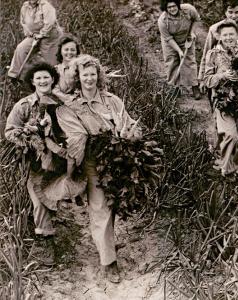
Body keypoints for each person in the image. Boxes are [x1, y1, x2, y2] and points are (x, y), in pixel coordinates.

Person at [56, 54, 142, 283]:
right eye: (85, 75)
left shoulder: (111, 100)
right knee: (100, 207)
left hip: (117, 158)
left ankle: (107, 245)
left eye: (93, 74)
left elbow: (130, 123)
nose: (89, 79)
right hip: (92, 160)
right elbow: (75, 137)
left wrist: (130, 133)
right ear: (78, 78)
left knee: (112, 204)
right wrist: (74, 166)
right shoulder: (72, 105)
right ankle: (108, 263)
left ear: (98, 76)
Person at [4, 62, 85, 266]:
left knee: (63, 190)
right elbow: (9, 131)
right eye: (38, 78)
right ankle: (45, 241)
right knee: (39, 199)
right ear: (33, 81)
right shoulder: (24, 105)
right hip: (35, 163)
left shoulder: (63, 101)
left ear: (52, 79)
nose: (43, 81)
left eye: (46, 77)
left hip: (62, 160)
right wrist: (29, 135)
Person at [204, 21, 238, 178]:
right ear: (219, 36)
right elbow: (207, 80)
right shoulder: (213, 54)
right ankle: (227, 172)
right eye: (225, 35)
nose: (228, 37)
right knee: (231, 135)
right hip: (223, 101)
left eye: (231, 34)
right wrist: (222, 76)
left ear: (237, 35)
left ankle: (233, 166)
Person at [158, 0, 201, 99]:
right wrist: (179, 51)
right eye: (169, 7)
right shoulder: (163, 20)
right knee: (171, 62)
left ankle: (194, 86)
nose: (172, 9)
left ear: (178, 5)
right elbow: (168, 38)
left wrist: (192, 32)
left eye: (174, 6)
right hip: (170, 43)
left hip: (187, 38)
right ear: (166, 9)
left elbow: (196, 19)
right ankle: (175, 88)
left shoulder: (188, 9)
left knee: (190, 61)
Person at [8, 0, 62, 79]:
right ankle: (15, 75)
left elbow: (49, 23)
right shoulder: (25, 7)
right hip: (34, 35)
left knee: (52, 62)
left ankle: (55, 81)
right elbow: (23, 23)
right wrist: (31, 34)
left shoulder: (46, 6)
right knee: (21, 48)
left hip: (50, 37)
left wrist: (41, 34)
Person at [198, 0, 238, 93]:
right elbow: (206, 53)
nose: (234, 16)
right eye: (230, 12)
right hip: (219, 71)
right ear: (225, 12)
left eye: (237, 12)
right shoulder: (215, 29)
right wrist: (202, 79)